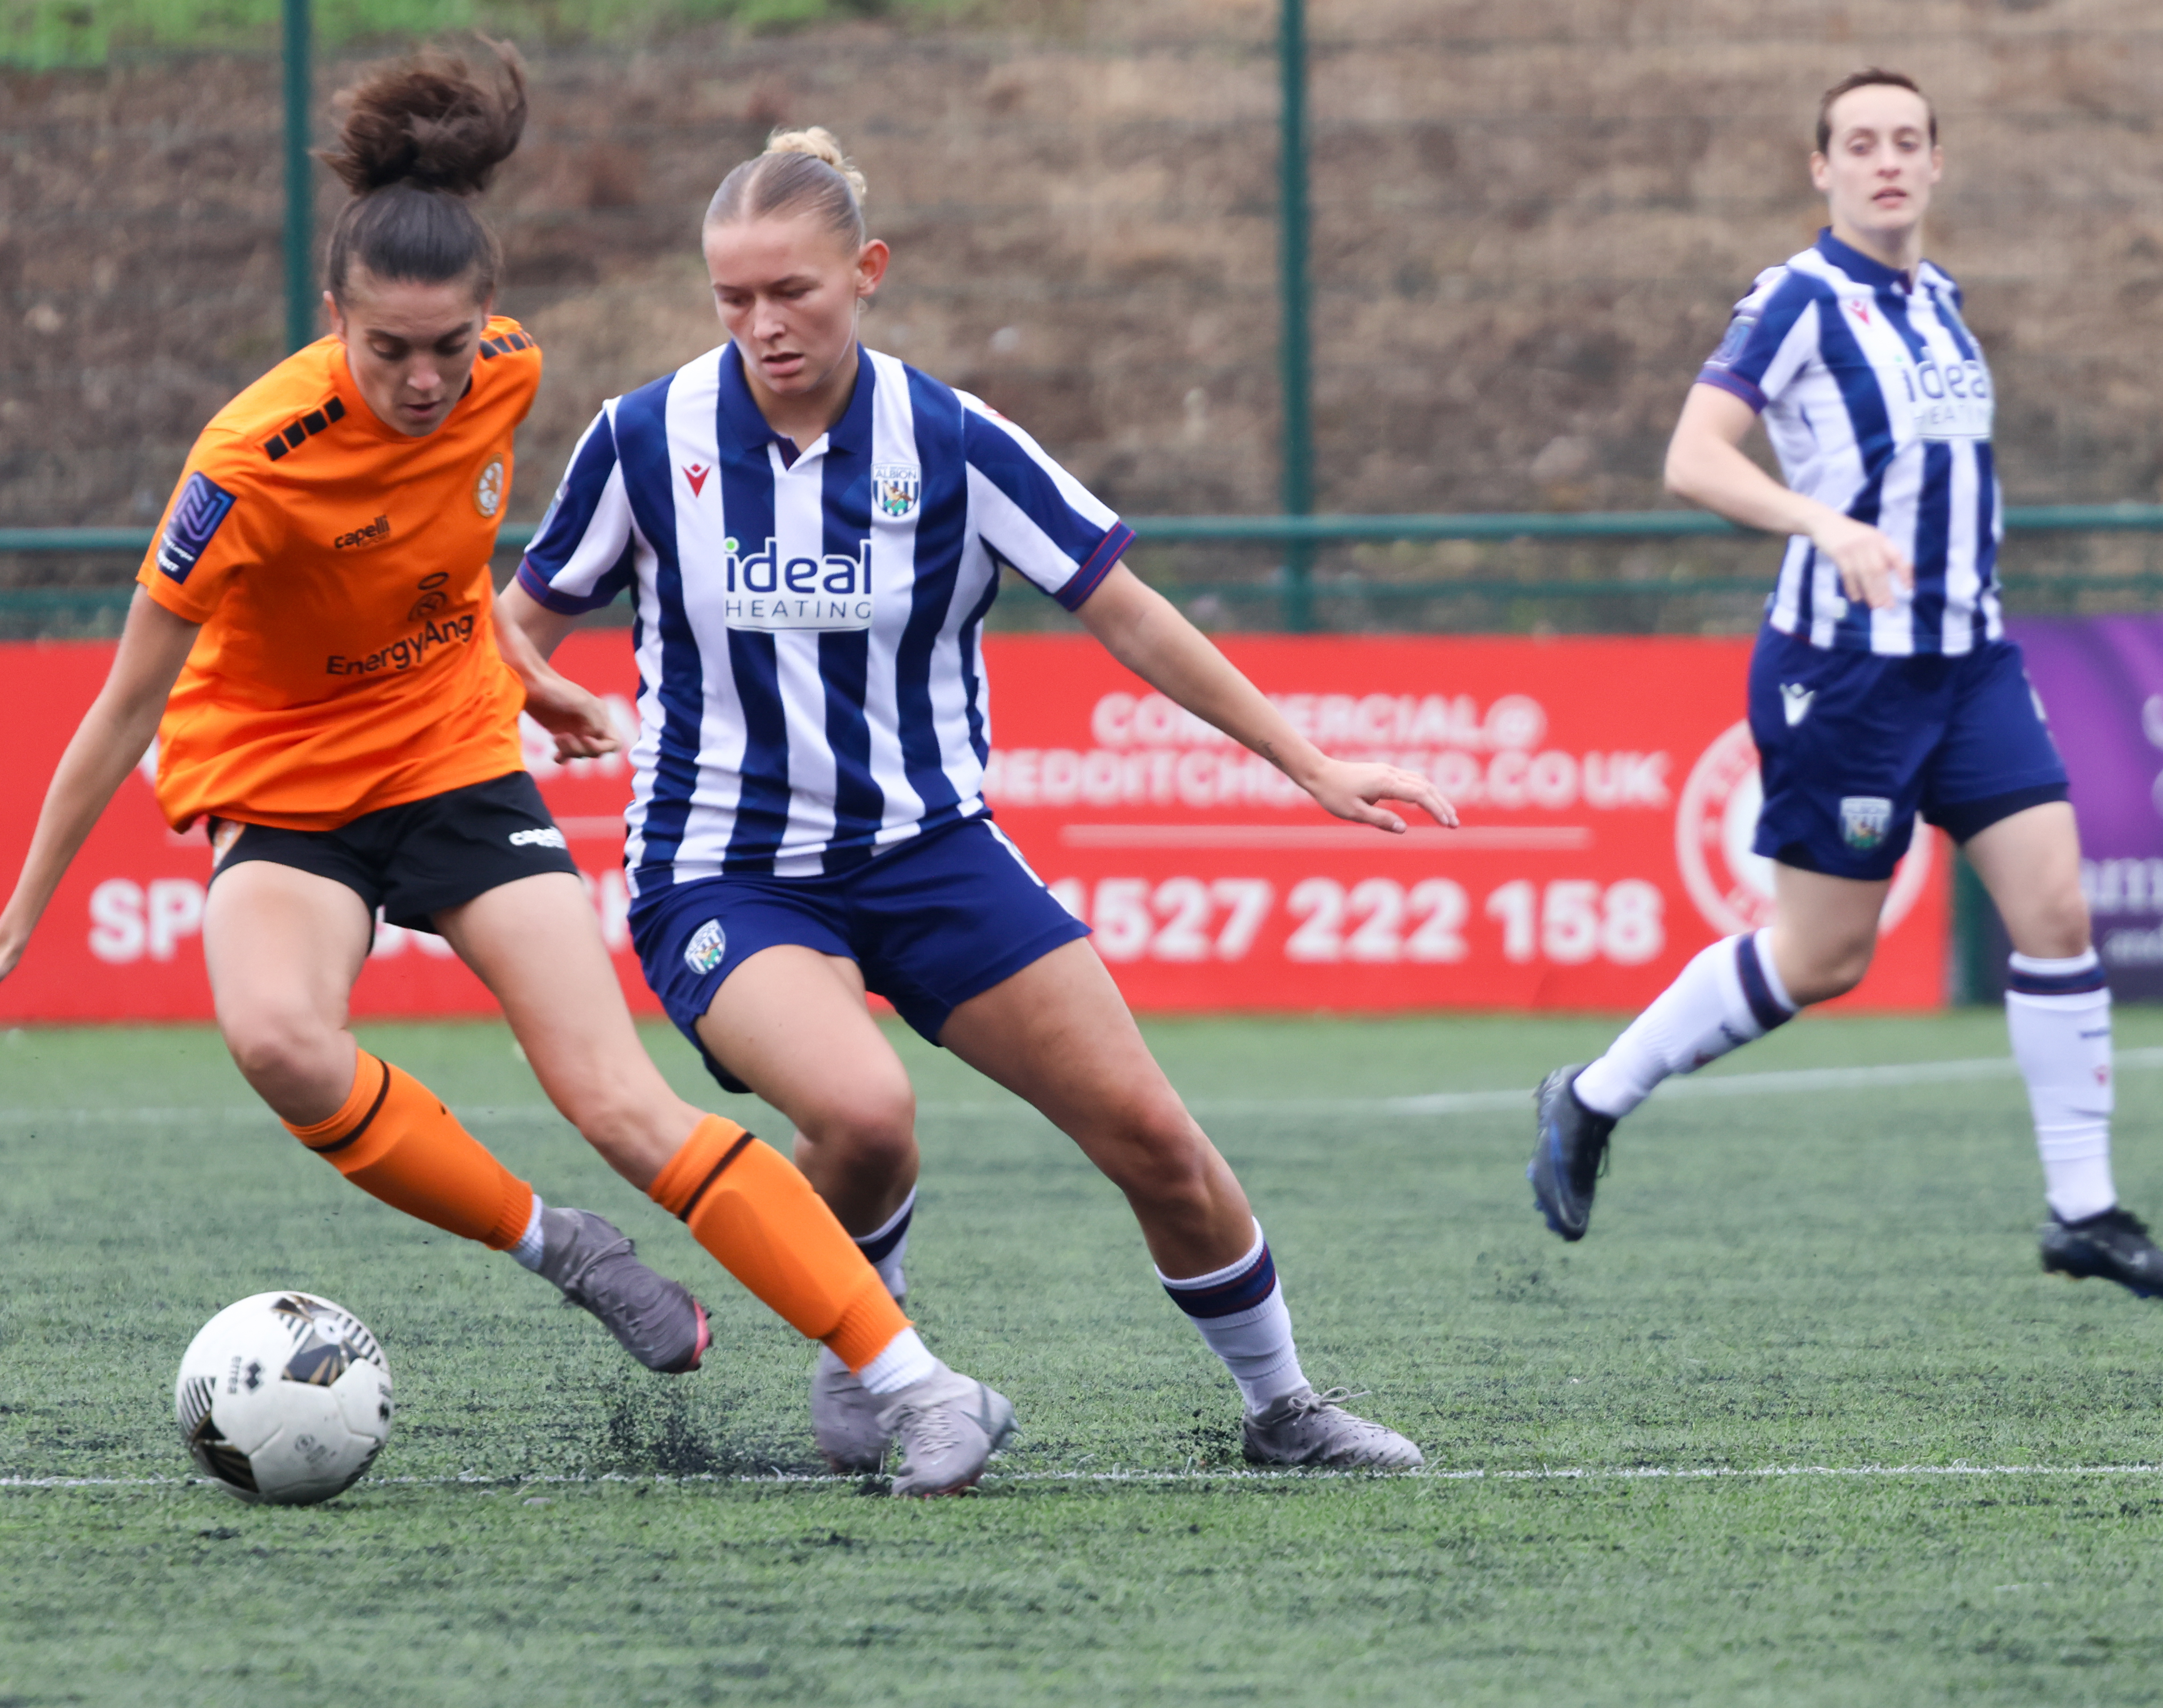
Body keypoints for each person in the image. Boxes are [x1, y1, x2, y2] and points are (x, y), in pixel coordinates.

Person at [0, 51, 1008, 1496]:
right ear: (333, 324)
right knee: (282, 1044)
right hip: (286, 791)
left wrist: (527, 679)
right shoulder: (245, 464)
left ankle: (918, 1389)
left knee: (622, 1103)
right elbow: (124, 708)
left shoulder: (507, 374)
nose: (426, 380)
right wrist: (8, 930)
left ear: (484, 323)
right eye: (389, 351)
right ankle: (560, 1247)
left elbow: (441, 566)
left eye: (449, 343)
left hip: (453, 764)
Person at [502, 126, 1459, 1472]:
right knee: (865, 1112)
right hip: (723, 870)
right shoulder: (646, 439)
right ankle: (877, 1358)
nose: (763, 326)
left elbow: (1125, 614)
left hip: (934, 854)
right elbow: (502, 626)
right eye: (734, 299)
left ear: (868, 272)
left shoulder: (949, 437)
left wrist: (1306, 760)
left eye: (795, 293)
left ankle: (1284, 1410)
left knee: (1155, 1142)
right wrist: (526, 688)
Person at [1527, 69, 2161, 1296]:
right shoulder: (1797, 299)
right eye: (1858, 142)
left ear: (1934, 164)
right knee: (1822, 959)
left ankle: (2080, 1209)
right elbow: (1691, 458)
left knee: (2056, 918)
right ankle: (1593, 1095)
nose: (1886, 160)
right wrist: (1818, 523)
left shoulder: (1941, 303)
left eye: (1906, 141)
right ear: (1820, 169)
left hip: (1969, 661)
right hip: (1844, 673)